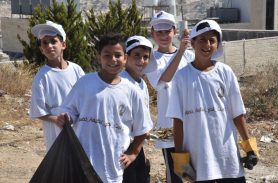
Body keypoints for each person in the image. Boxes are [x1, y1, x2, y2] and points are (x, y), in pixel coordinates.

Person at [166, 19, 259, 182]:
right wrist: (180, 158)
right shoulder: (181, 77)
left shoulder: (225, 72)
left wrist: (250, 148)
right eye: (202, 39)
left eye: (212, 40)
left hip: (228, 159)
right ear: (193, 43)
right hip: (199, 160)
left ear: (218, 45)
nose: (207, 44)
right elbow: (178, 121)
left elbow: (238, 114)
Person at [57, 33, 153, 183]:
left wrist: (133, 153)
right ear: (98, 57)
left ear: (125, 58)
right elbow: (69, 111)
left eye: (117, 55)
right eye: (107, 55)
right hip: (82, 161)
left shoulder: (131, 91)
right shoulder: (85, 83)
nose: (113, 60)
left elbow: (142, 129)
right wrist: (65, 118)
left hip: (112, 167)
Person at [145, 10, 195, 183]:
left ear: (174, 31)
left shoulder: (190, 56)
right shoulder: (151, 60)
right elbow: (161, 81)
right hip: (168, 125)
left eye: (167, 31)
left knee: (197, 169)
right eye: (159, 32)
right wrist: (180, 51)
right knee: (175, 173)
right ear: (152, 33)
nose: (164, 35)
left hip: (192, 121)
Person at [29, 20, 85, 152]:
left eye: (53, 41)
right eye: (45, 43)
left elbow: (86, 98)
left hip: (79, 130)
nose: (49, 46)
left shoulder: (76, 70)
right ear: (41, 50)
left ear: (63, 44)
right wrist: (57, 120)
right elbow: (38, 111)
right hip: (55, 135)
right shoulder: (41, 77)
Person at [120, 35, 157, 183]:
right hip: (124, 146)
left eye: (145, 57)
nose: (141, 61)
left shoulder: (141, 83)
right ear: (126, 57)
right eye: (136, 55)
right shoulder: (121, 82)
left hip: (137, 144)